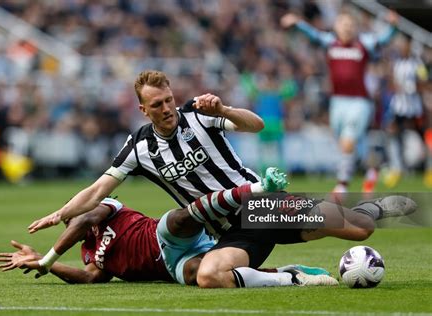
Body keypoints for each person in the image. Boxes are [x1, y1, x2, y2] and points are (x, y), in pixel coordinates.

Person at [26, 70, 415, 289]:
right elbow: (97, 190)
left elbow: (256, 124)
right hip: (227, 230)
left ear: (172, 95)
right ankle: (295, 277)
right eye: (156, 105)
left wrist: (224, 107)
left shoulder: (199, 114)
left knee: (360, 231)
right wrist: (59, 213)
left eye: (168, 100)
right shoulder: (139, 148)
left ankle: (374, 207)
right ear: (143, 109)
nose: (166, 109)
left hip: (263, 206)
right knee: (210, 276)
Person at [0, 179, 339, 287]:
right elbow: (89, 278)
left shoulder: (106, 210)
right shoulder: (90, 255)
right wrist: (44, 264)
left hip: (166, 237)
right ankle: (289, 276)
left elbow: (82, 222)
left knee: (176, 219)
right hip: (174, 267)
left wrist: (47, 256)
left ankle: (248, 190)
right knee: (203, 277)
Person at [281, 9, 399, 193]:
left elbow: (383, 40)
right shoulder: (330, 43)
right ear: (336, 27)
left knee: (348, 141)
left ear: (356, 28)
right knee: (348, 144)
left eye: (351, 25)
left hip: (359, 101)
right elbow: (312, 34)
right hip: (337, 101)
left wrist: (393, 26)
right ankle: (372, 168)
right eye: (344, 24)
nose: (347, 28)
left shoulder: (363, 44)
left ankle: (341, 185)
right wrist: (297, 23)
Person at [383, 35, 428, 188]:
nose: (402, 48)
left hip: (415, 107)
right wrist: (395, 86)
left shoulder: (418, 64)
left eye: (405, 45)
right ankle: (396, 168)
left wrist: (412, 88)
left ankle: (430, 170)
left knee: (425, 136)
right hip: (400, 107)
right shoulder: (396, 64)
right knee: (393, 133)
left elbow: (425, 83)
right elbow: (390, 84)